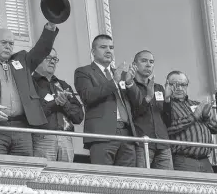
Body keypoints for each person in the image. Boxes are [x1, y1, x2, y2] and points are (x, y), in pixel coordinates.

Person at [0, 22, 58, 156]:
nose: (8, 46)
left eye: (11, 44)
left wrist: (50, 27)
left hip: (21, 128)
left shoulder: (22, 60)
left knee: (25, 172)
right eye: (4, 43)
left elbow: (42, 49)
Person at [74, 34, 136, 166]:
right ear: (93, 52)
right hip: (101, 134)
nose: (108, 51)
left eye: (111, 47)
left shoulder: (123, 75)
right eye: (103, 47)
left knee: (128, 181)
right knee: (105, 179)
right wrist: (114, 82)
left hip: (127, 134)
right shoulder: (83, 72)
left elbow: (136, 105)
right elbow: (88, 96)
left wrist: (130, 84)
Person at [32, 48, 84, 161]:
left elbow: (79, 116)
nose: (52, 61)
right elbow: (32, 114)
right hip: (43, 138)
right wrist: (55, 103)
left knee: (65, 177)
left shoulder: (63, 85)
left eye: (55, 59)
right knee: (44, 177)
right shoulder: (30, 83)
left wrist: (65, 104)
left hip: (66, 139)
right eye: (48, 58)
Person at [125, 50, 174, 169]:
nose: (148, 64)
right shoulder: (129, 86)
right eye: (144, 61)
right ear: (134, 65)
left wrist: (167, 100)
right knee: (142, 182)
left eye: (151, 62)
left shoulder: (158, 87)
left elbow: (168, 120)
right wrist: (147, 98)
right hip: (142, 143)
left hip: (163, 144)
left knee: (168, 184)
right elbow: (133, 114)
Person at [166, 71, 216, 173]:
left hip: (205, 160)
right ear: (167, 85)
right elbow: (168, 128)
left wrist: (206, 117)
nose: (179, 88)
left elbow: (215, 129)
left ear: (187, 85)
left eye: (183, 85)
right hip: (183, 160)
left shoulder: (196, 104)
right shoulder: (166, 106)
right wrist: (194, 116)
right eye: (175, 84)